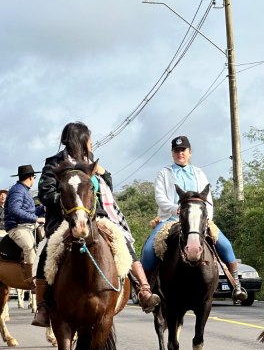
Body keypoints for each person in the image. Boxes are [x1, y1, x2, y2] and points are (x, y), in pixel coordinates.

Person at [32, 122, 160, 327]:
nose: (91, 143)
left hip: (96, 215)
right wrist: (72, 203)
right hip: (66, 216)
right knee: (49, 249)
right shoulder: (53, 163)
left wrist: (104, 172)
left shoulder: (92, 162)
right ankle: (43, 307)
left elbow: (106, 187)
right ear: (80, 140)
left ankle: (143, 289)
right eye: (89, 139)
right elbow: (46, 194)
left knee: (121, 241)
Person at [141, 135, 248, 302]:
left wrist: (206, 220)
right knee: (148, 250)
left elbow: (208, 200)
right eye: (176, 151)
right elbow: (160, 197)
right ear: (172, 154)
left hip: (198, 220)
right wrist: (175, 209)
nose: (180, 153)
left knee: (225, 245)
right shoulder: (164, 173)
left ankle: (237, 285)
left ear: (189, 152)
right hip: (172, 219)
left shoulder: (198, 173)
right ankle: (145, 291)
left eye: (183, 150)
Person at [4, 165, 46, 289]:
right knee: (29, 247)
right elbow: (14, 210)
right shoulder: (18, 190)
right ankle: (32, 281)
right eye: (34, 177)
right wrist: (36, 219)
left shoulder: (24, 190)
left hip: (28, 226)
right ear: (30, 177)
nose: (34, 179)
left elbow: (29, 211)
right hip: (17, 227)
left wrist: (43, 209)